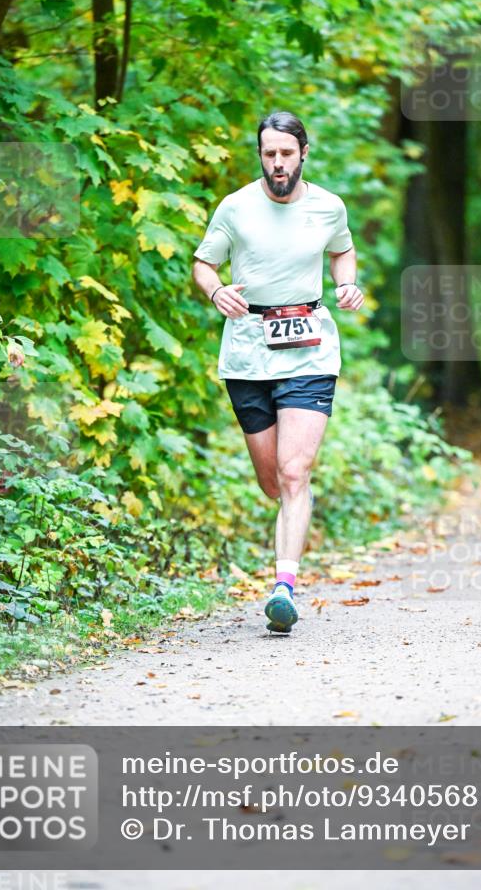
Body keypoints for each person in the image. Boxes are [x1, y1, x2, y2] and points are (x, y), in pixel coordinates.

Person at [192, 111, 364, 634]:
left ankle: (283, 589)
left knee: (294, 472)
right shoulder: (236, 207)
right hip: (248, 351)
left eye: (286, 154)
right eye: (269, 154)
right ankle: (293, 511)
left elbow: (344, 248)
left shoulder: (328, 206)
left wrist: (346, 284)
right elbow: (204, 263)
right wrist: (215, 290)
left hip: (310, 346)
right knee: (272, 480)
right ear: (261, 155)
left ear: (303, 153)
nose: (277, 163)